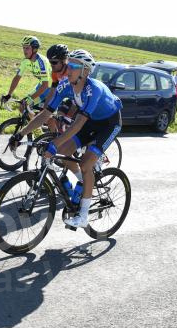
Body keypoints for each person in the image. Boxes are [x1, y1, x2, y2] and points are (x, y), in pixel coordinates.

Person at [10, 49, 122, 228]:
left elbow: (77, 125)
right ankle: (83, 181)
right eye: (69, 64)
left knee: (86, 164)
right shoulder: (65, 86)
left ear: (85, 71)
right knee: (63, 152)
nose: (68, 68)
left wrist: (53, 143)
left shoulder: (94, 89)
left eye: (74, 66)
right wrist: (20, 134)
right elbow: (46, 113)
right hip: (90, 121)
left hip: (109, 123)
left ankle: (83, 216)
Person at [0, 36, 51, 110]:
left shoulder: (42, 62)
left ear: (34, 49)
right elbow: (17, 77)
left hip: (51, 88)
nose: (24, 50)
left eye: (27, 48)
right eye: (23, 48)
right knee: (22, 107)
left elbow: (45, 85)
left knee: (30, 107)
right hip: (41, 85)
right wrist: (9, 94)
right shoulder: (25, 61)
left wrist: (30, 99)